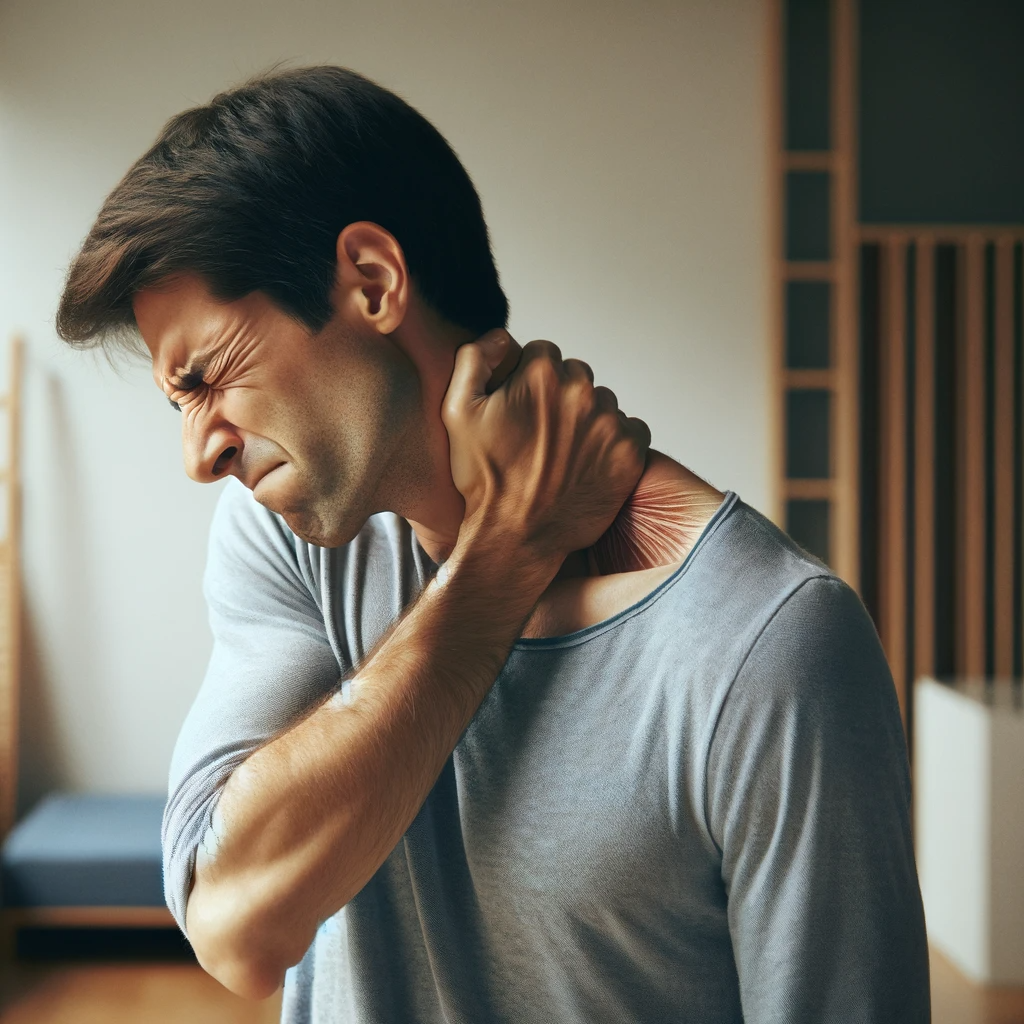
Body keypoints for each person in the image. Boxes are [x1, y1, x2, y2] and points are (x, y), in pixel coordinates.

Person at [55, 66, 930, 1023]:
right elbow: (233, 925)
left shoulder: (770, 643)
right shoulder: (290, 539)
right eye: (179, 405)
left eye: (210, 377)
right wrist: (502, 559)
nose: (201, 452)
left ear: (374, 282)